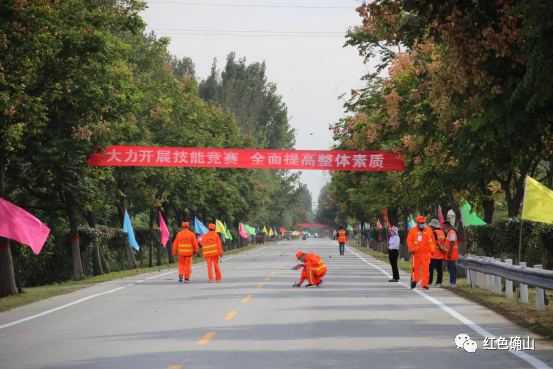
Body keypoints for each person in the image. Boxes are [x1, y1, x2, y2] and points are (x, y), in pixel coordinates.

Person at [406, 216, 436, 290]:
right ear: (417, 223)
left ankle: (425, 284)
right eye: (421, 223)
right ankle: (414, 281)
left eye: (424, 222)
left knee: (426, 269)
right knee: (415, 269)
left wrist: (433, 250)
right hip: (416, 254)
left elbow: (432, 241)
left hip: (426, 253)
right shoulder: (412, 231)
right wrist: (412, 249)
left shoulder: (428, 229)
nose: (423, 224)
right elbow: (409, 241)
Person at [428, 219, 446, 287]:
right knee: (439, 270)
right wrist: (442, 248)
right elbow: (444, 241)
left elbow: (436, 241)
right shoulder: (442, 232)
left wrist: (440, 248)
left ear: (433, 226)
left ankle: (429, 282)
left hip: (434, 254)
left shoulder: (434, 232)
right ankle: (438, 282)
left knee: (431, 269)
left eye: (431, 226)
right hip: (440, 254)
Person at [442, 221, 459, 287]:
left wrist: (449, 253)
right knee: (452, 268)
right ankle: (452, 282)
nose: (444, 228)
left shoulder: (451, 233)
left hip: (451, 254)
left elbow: (452, 243)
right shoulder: (449, 233)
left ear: (448, 226)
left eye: (445, 226)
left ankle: (452, 282)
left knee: (451, 268)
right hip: (450, 254)